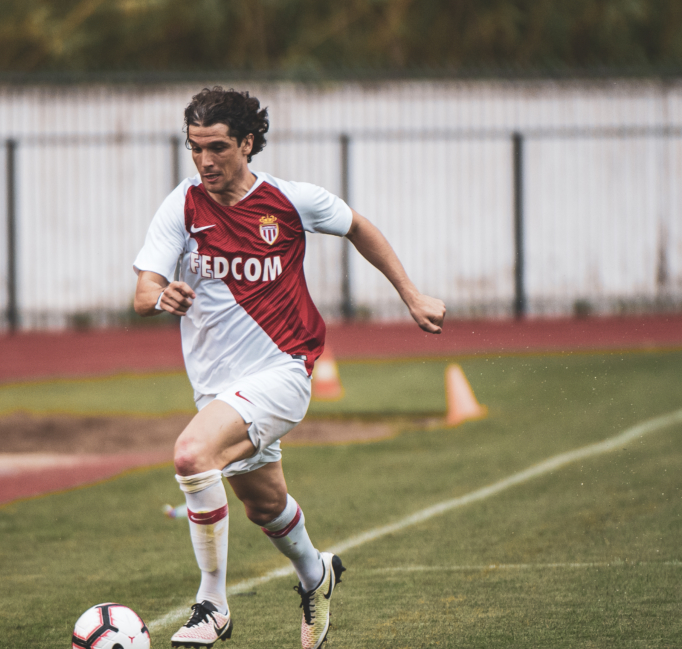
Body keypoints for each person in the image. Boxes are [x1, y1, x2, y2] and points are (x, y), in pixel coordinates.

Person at [132, 87, 446, 649]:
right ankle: (316, 573)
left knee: (191, 455)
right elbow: (142, 291)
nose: (205, 160)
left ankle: (212, 605)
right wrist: (161, 296)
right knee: (265, 504)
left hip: (284, 369)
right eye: (195, 147)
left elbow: (359, 227)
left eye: (218, 147)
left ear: (248, 143)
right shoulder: (181, 206)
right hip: (217, 389)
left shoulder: (291, 200)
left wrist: (412, 295)